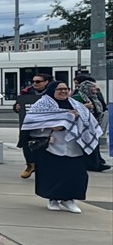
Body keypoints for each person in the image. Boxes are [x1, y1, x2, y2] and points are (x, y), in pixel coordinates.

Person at [21, 81, 102, 213]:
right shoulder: (42, 105)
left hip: (75, 146)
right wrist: (51, 125)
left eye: (66, 89)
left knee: (75, 174)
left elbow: (88, 121)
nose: (64, 91)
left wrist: (75, 117)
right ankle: (53, 199)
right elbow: (32, 122)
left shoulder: (76, 105)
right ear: (52, 90)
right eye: (60, 89)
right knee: (52, 173)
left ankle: (69, 200)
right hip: (52, 145)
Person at [13, 74, 51, 178]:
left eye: (38, 81)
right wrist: (16, 107)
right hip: (29, 125)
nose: (34, 84)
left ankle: (45, 168)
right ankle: (30, 165)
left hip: (47, 126)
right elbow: (19, 105)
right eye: (33, 81)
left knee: (45, 146)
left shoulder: (52, 93)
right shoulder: (26, 93)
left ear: (46, 82)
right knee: (26, 145)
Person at [72, 73, 109, 172]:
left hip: (95, 123)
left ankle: (97, 162)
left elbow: (101, 107)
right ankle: (93, 164)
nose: (95, 90)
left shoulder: (94, 97)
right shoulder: (78, 97)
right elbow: (73, 109)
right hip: (84, 125)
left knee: (94, 144)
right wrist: (85, 107)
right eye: (93, 88)